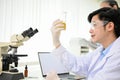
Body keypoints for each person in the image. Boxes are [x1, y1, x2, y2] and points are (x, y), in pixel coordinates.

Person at [49, 7, 120, 80]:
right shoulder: (100, 51)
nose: (90, 30)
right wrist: (56, 41)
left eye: (94, 25)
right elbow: (77, 64)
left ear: (110, 26)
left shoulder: (117, 55)